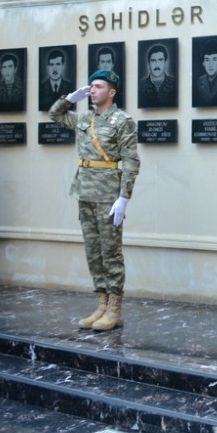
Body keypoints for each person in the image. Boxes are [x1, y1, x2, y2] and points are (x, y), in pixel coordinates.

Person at [49, 69, 140, 332]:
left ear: (112, 92)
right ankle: (101, 304)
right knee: (93, 253)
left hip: (108, 194)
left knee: (110, 253)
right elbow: (54, 115)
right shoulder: (84, 118)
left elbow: (132, 161)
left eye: (98, 87)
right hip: (85, 192)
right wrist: (69, 99)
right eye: (91, 87)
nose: (92, 91)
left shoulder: (122, 120)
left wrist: (124, 197)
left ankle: (114, 309)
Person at [138, 43, 176, 107]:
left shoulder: (175, 84)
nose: (157, 64)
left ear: (165, 63)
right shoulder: (140, 86)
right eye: (153, 61)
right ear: (149, 64)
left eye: (160, 60)